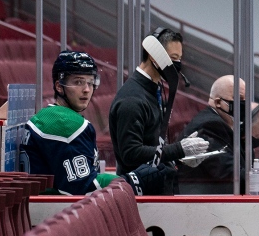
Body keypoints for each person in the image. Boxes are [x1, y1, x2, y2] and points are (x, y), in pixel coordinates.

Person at [19, 51, 169, 195]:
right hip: (51, 214)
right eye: (78, 82)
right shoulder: (64, 123)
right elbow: (83, 188)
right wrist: (132, 180)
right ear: (59, 86)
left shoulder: (50, 116)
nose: (86, 90)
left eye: (90, 83)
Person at [108, 28, 210, 190]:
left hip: (158, 187)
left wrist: (179, 156)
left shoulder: (154, 89)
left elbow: (153, 143)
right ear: (153, 56)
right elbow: (131, 153)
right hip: (141, 194)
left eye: (179, 58)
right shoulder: (132, 99)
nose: (177, 64)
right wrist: (178, 149)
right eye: (173, 58)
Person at [177, 80, 259, 194]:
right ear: (218, 102)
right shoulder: (210, 125)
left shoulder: (222, 124)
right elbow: (230, 174)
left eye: (245, 99)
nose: (244, 104)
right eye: (239, 98)